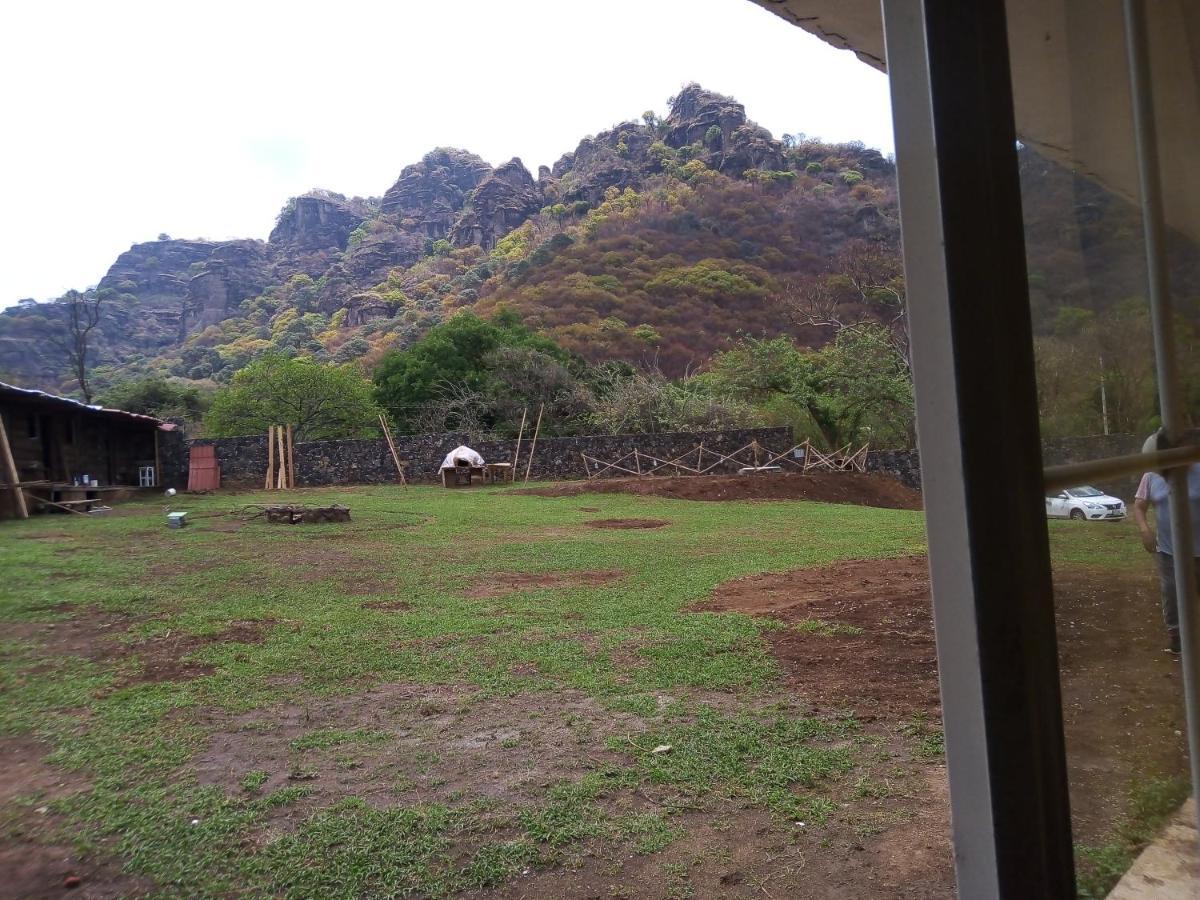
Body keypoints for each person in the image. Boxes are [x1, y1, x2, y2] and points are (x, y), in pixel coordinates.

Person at [1133, 430, 1200, 655]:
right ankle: (1177, 637)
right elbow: (1139, 505)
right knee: (1171, 592)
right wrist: (1144, 530)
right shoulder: (1151, 477)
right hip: (1169, 551)